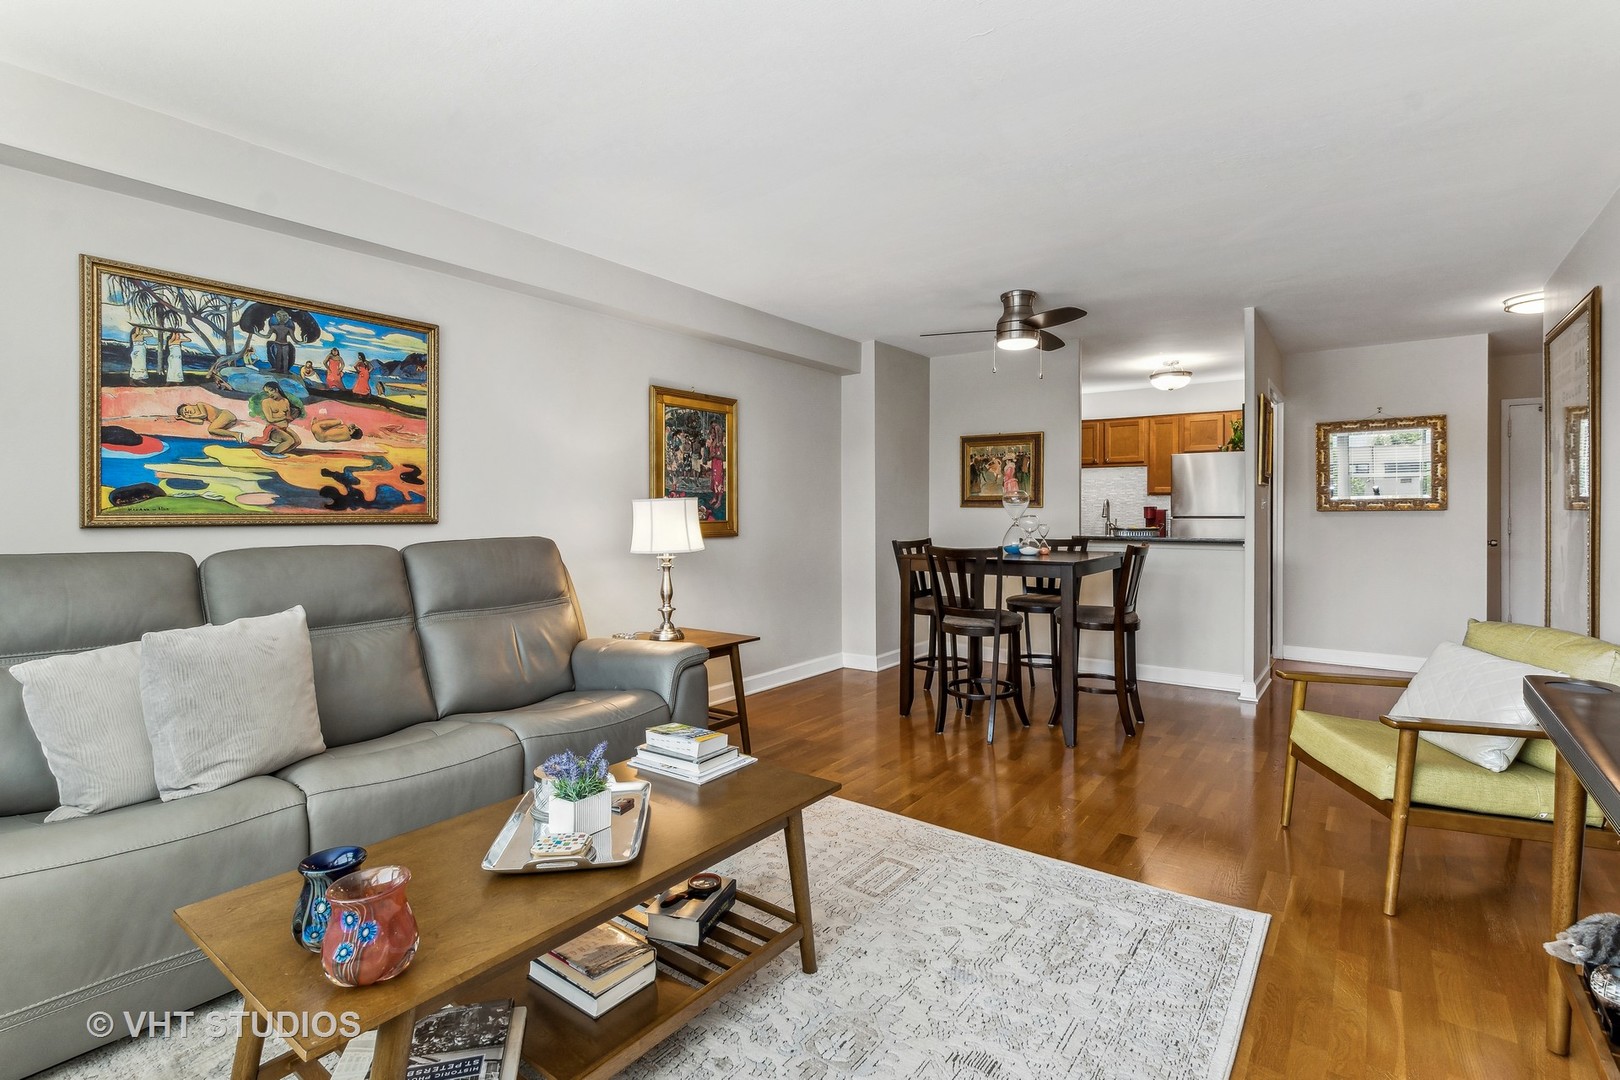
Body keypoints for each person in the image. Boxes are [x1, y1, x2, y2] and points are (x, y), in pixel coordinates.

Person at [248, 381, 305, 456]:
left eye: (271, 391)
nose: (269, 394)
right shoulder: (266, 402)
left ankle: (280, 452)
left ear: (276, 390)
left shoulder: (285, 401)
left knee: (297, 441)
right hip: (273, 429)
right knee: (289, 440)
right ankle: (272, 454)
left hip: (284, 428)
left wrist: (293, 415)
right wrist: (284, 417)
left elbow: (288, 418)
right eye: (267, 392)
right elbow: (270, 419)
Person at [176, 401, 242, 442]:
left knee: (211, 429)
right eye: (185, 413)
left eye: (186, 409)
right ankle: (235, 435)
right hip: (227, 422)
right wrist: (184, 418)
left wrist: (189, 416)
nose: (187, 412)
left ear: (188, 404)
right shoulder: (196, 415)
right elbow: (199, 422)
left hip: (225, 415)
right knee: (214, 432)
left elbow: (204, 415)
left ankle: (236, 434)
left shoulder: (199, 404)